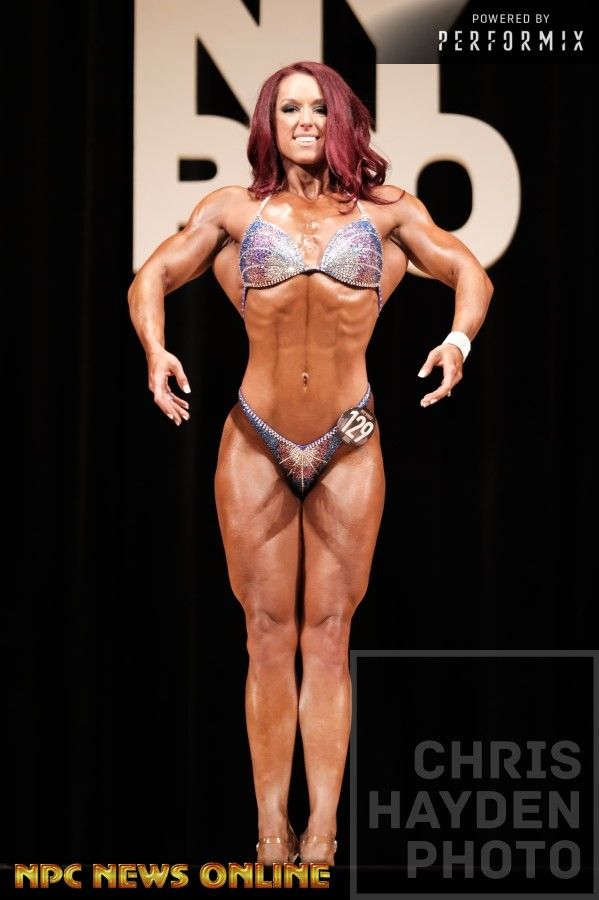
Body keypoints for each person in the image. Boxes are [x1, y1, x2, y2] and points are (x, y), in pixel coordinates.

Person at [127, 60, 493, 866]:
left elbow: (469, 270)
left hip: (348, 440)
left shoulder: (387, 212)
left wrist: (458, 341)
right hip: (255, 440)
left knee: (328, 637)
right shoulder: (233, 209)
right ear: (269, 121)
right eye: (289, 107)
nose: (304, 120)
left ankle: (323, 829)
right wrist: (155, 351)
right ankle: (270, 828)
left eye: (318, 108)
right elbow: (153, 273)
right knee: (266, 635)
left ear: (342, 122)